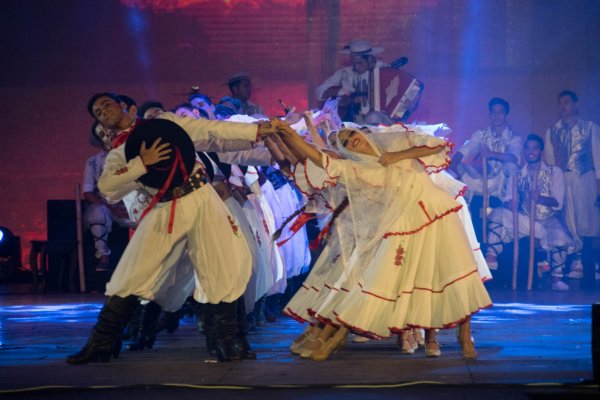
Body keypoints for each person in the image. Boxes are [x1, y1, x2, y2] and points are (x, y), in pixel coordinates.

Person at [66, 92, 277, 365]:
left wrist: (256, 130)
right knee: (133, 271)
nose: (103, 112)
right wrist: (142, 162)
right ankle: (102, 342)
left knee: (226, 266)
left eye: (106, 105)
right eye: (97, 112)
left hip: (202, 198)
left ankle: (225, 343)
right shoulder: (119, 152)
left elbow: (210, 130)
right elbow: (108, 188)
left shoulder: (164, 123)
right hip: (166, 208)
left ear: (123, 106)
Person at [273, 121, 492, 360]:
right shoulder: (362, 169)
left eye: (350, 134)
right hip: (404, 225)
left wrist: (395, 156)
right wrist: (288, 134)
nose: (351, 140)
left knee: (456, 272)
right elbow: (319, 158)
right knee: (388, 280)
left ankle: (464, 335)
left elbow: (435, 145)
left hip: (437, 210)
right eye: (345, 143)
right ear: (347, 152)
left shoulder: (395, 140)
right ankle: (343, 336)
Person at [485, 134, 575, 291]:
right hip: (525, 221)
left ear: (540, 151)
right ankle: (491, 257)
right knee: (497, 213)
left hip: (548, 222)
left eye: (534, 148)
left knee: (560, 239)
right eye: (527, 148)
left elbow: (558, 202)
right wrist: (510, 204)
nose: (530, 152)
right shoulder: (517, 174)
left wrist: (540, 198)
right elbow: (507, 199)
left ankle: (556, 279)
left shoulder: (555, 172)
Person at [544, 90, 600, 286]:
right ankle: (575, 262)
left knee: (587, 221)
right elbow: (550, 163)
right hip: (564, 180)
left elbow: (597, 158)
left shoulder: (590, 128)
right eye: (560, 103)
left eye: (567, 102)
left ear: (575, 105)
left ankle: (589, 263)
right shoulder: (553, 131)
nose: (563, 107)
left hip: (585, 178)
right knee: (568, 220)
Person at [450, 97, 521, 242]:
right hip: (482, 183)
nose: (496, 116)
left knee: (511, 166)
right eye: (493, 112)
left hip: (500, 185)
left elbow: (514, 157)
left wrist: (491, 154)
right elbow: (467, 149)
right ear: (489, 115)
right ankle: (464, 213)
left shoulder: (514, 138)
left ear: (506, 115)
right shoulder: (481, 135)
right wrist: (451, 163)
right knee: (459, 167)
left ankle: (508, 203)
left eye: (500, 112)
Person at [83, 122, 131, 273]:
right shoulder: (93, 162)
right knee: (98, 212)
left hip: (129, 206)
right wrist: (112, 207)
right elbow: (88, 192)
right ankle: (103, 257)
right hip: (106, 208)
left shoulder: (129, 157)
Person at [315, 39, 387, 123]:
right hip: (352, 122)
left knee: (373, 116)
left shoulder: (385, 70)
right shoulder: (344, 73)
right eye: (354, 63)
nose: (356, 67)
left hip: (381, 122)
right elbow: (319, 91)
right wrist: (343, 93)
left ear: (370, 59)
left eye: (360, 63)